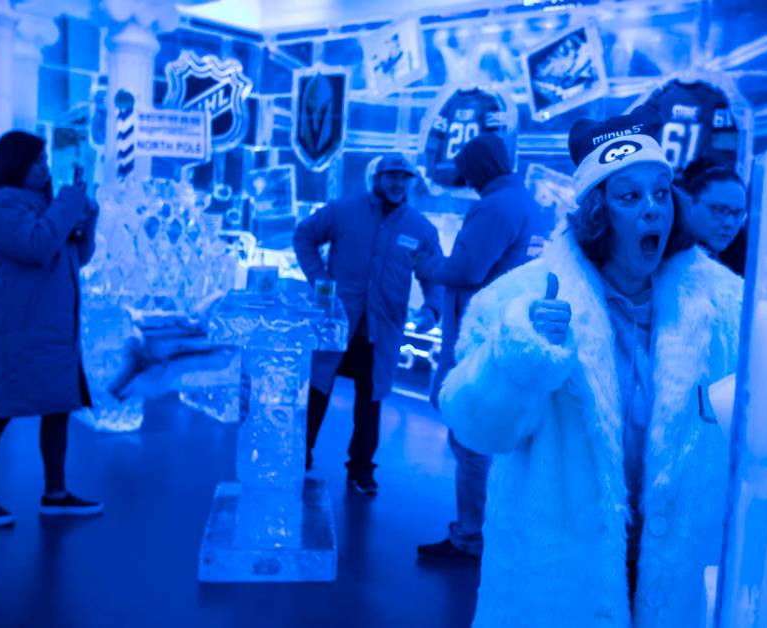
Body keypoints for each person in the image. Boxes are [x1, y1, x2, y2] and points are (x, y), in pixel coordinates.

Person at [438, 108, 743, 626]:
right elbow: (475, 428)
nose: (653, 210)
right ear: (598, 213)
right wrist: (521, 353)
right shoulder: (520, 299)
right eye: (629, 197)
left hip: (684, 578)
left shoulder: (728, 307)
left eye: (662, 192)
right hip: (556, 581)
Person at [415, 133, 547, 564]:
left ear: (478, 168)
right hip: (509, 334)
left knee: (471, 438)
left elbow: (467, 268)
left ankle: (471, 537)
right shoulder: (529, 204)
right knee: (495, 443)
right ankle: (492, 532)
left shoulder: (495, 206)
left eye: (468, 171)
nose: (466, 180)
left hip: (479, 337)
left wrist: (427, 265)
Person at [0, 130, 102, 526]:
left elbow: (77, 257)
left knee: (57, 408)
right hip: (13, 334)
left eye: (45, 160)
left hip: (48, 332)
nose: (44, 168)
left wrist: (87, 221)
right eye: (37, 160)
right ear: (16, 164)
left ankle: (55, 494)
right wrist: (69, 203)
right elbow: (36, 245)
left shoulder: (44, 205)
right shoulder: (0, 206)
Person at [293, 153, 442, 495]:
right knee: (317, 393)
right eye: (392, 175)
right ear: (377, 178)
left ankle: (361, 469)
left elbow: (432, 273)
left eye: (404, 178)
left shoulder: (419, 229)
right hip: (337, 325)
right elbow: (304, 237)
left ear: (410, 183)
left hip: (382, 331)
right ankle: (300, 456)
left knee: (369, 402)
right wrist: (318, 280)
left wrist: (433, 308)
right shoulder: (344, 211)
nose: (397, 183)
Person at [679, 158, 748, 276]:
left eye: (738, 214)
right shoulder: (666, 260)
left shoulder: (740, 256)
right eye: (720, 210)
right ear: (689, 204)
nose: (730, 223)